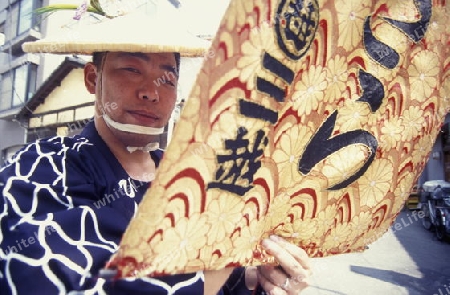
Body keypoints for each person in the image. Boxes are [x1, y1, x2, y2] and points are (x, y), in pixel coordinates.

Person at [0, 6, 311, 295]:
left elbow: (224, 283)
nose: (151, 92)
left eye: (167, 78)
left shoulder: (192, 180)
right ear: (93, 79)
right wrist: (226, 253)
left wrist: (257, 278)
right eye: (131, 70)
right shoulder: (39, 168)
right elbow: (47, 277)